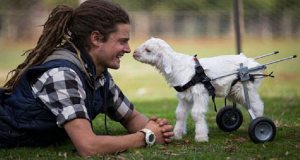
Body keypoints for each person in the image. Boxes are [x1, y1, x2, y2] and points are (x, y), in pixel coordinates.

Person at [0, 0, 174, 157]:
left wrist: (158, 130)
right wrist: (146, 137)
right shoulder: (62, 74)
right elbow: (88, 147)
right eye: (122, 41)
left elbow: (130, 117)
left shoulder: (96, 73)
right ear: (96, 38)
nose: (128, 49)